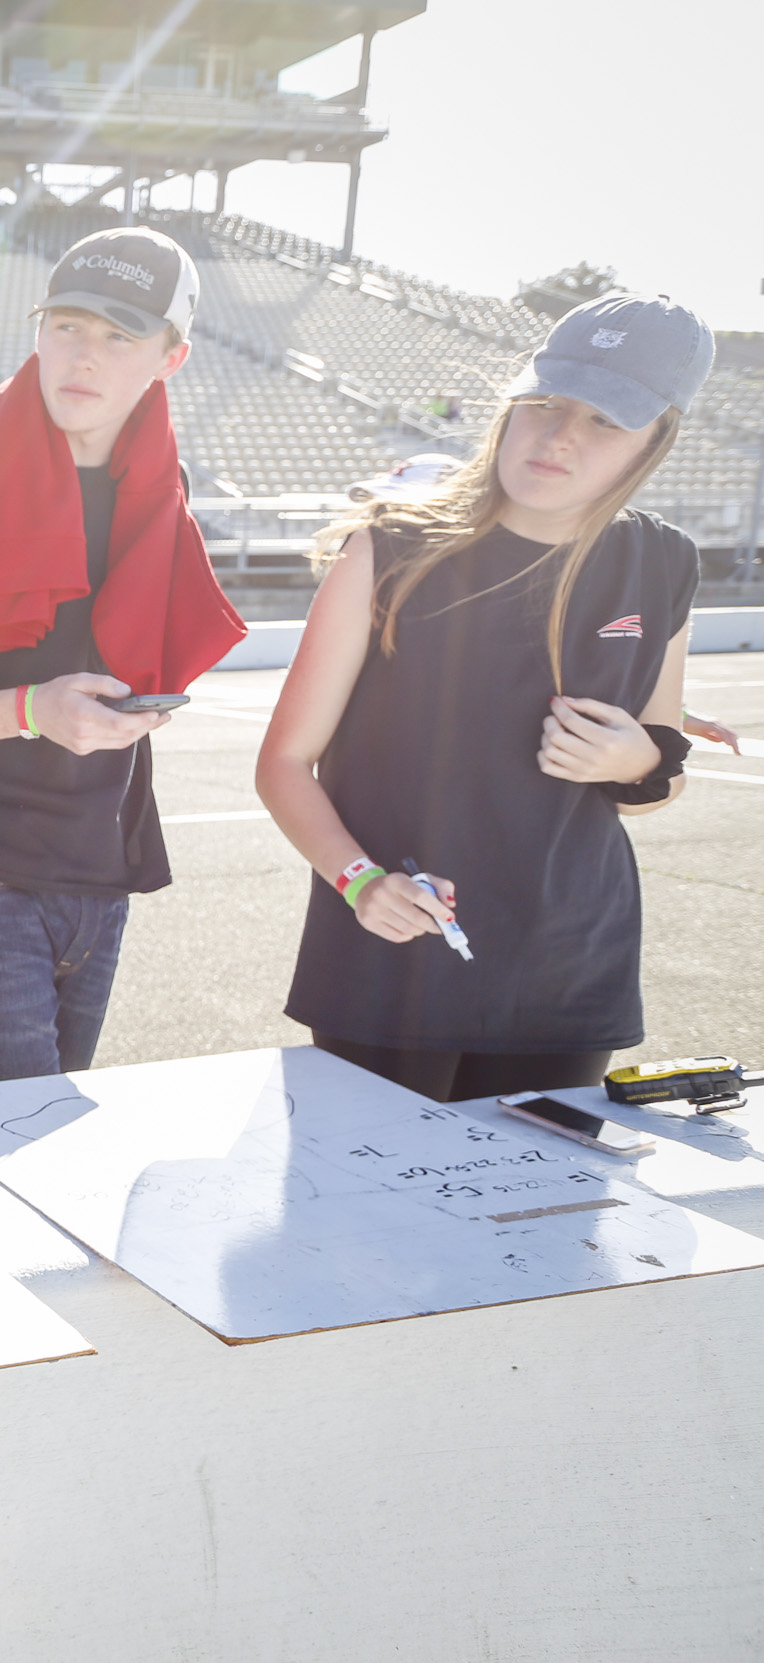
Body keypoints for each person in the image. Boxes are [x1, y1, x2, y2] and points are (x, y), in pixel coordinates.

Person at [256, 294, 712, 1100]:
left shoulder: (666, 564)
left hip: (570, 973)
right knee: (361, 1222)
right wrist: (360, 882)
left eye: (605, 420)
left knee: (538, 1224)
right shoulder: (390, 549)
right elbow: (285, 762)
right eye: (545, 403)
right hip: (392, 965)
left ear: (657, 440)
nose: (560, 435)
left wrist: (636, 758)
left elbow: (657, 773)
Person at [0, 228, 242, 1091]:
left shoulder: (162, 503)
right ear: (38, 331)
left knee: (45, 1171)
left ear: (170, 357)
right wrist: (31, 709)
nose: (84, 356)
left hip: (101, 877)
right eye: (68, 325)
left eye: (120, 336)